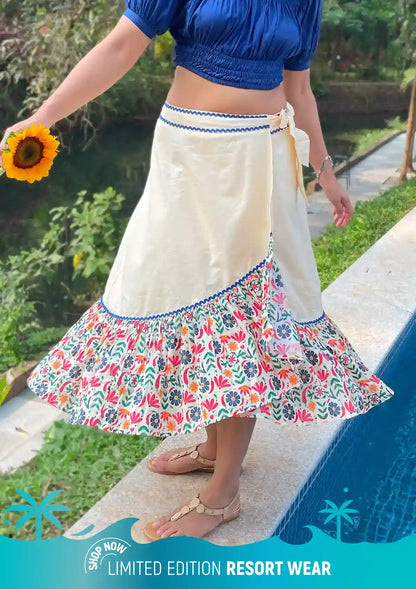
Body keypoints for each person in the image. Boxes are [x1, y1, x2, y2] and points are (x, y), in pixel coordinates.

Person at [1, 0, 395, 542]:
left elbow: (299, 89)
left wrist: (325, 171)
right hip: (189, 158)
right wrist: (44, 117)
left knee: (243, 316)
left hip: (261, 160)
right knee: (193, 299)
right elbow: (122, 45)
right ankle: (213, 450)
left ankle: (224, 492)